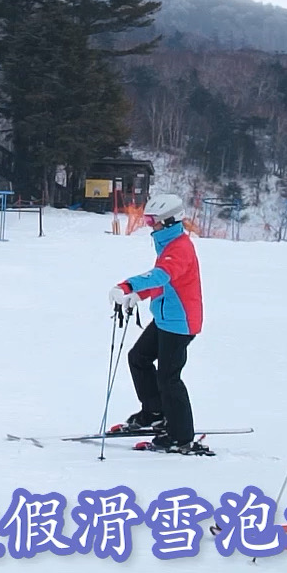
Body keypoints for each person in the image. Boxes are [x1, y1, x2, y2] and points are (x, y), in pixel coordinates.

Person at [109, 192, 207, 454]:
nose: (150, 225)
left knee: (169, 378)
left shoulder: (180, 248)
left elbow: (161, 275)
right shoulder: (168, 243)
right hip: (166, 318)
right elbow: (166, 283)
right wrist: (137, 295)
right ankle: (154, 412)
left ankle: (181, 436)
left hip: (181, 322)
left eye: (154, 220)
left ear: (170, 221)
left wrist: (127, 285)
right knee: (138, 358)